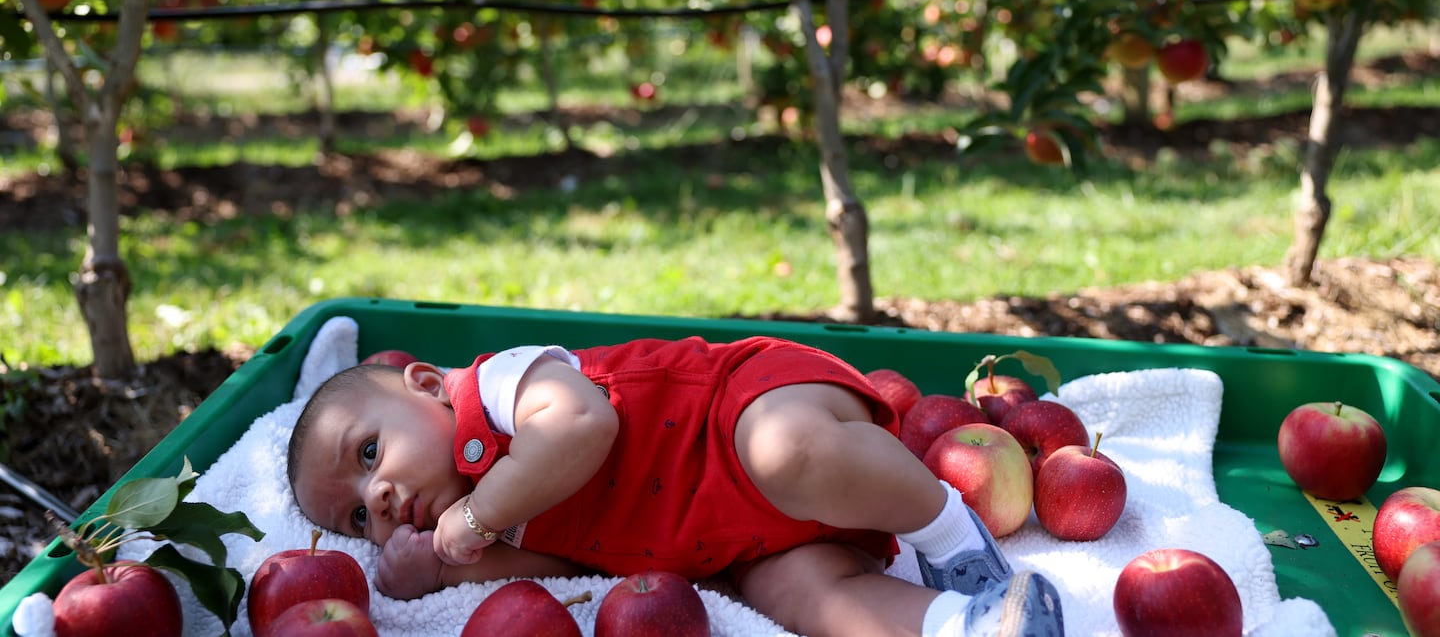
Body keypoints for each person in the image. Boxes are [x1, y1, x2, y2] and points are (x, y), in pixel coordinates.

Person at [287, 335, 1064, 637]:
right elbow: (568, 566)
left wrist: (481, 514)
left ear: (425, 383)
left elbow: (582, 425)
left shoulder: (492, 388)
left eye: (368, 452)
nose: (380, 499)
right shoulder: (489, 520)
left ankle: (947, 532)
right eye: (358, 516)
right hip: (734, 539)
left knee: (788, 452)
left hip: (737, 409)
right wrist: (442, 565)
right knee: (803, 600)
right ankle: (967, 625)